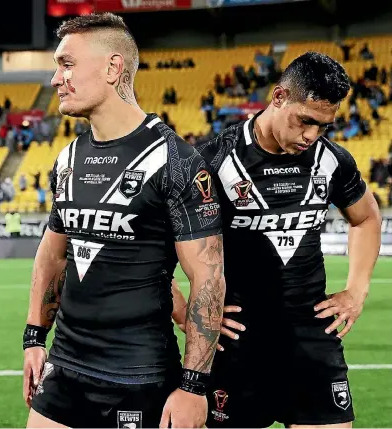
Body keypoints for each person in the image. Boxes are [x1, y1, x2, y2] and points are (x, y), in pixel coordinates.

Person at [23, 12, 225, 429]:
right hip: (63, 368)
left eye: (67, 64)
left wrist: (193, 388)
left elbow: (208, 278)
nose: (55, 79)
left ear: (114, 68)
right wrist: (33, 338)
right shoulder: (67, 160)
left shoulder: (177, 162)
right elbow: (54, 257)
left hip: (140, 377)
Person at [173, 51, 381, 428]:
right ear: (279, 96)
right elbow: (153, 247)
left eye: (323, 127)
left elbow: (366, 217)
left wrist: (356, 290)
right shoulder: (211, 161)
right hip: (235, 344)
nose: (311, 136)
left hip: (312, 339)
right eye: (306, 121)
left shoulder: (332, 160)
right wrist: (187, 313)